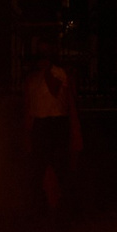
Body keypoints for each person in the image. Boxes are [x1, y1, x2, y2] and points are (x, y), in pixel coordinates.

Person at [23, 41, 83, 218]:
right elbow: (29, 106)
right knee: (38, 168)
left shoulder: (59, 73)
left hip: (56, 124)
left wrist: (48, 69)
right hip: (40, 124)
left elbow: (56, 92)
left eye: (45, 54)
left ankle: (65, 206)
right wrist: (27, 131)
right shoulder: (32, 78)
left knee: (60, 166)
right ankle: (40, 206)